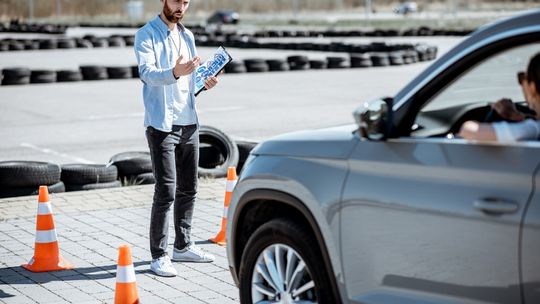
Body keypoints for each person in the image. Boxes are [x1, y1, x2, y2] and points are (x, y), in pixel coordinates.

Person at [134, 0, 219, 277]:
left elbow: (190, 81)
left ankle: (183, 246)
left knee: (190, 188)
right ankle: (159, 255)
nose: (181, 6)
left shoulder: (188, 36)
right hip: (162, 125)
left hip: (189, 122)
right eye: (175, 0)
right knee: (166, 191)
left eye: (186, 1)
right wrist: (174, 72)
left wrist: (204, 82)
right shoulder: (146, 34)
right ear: (163, 0)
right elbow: (146, 74)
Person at [459, 52, 540, 142]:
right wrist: (517, 115)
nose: (522, 84)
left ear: (533, 87)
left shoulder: (533, 129)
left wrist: (469, 124)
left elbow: (469, 131)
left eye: (523, 78)